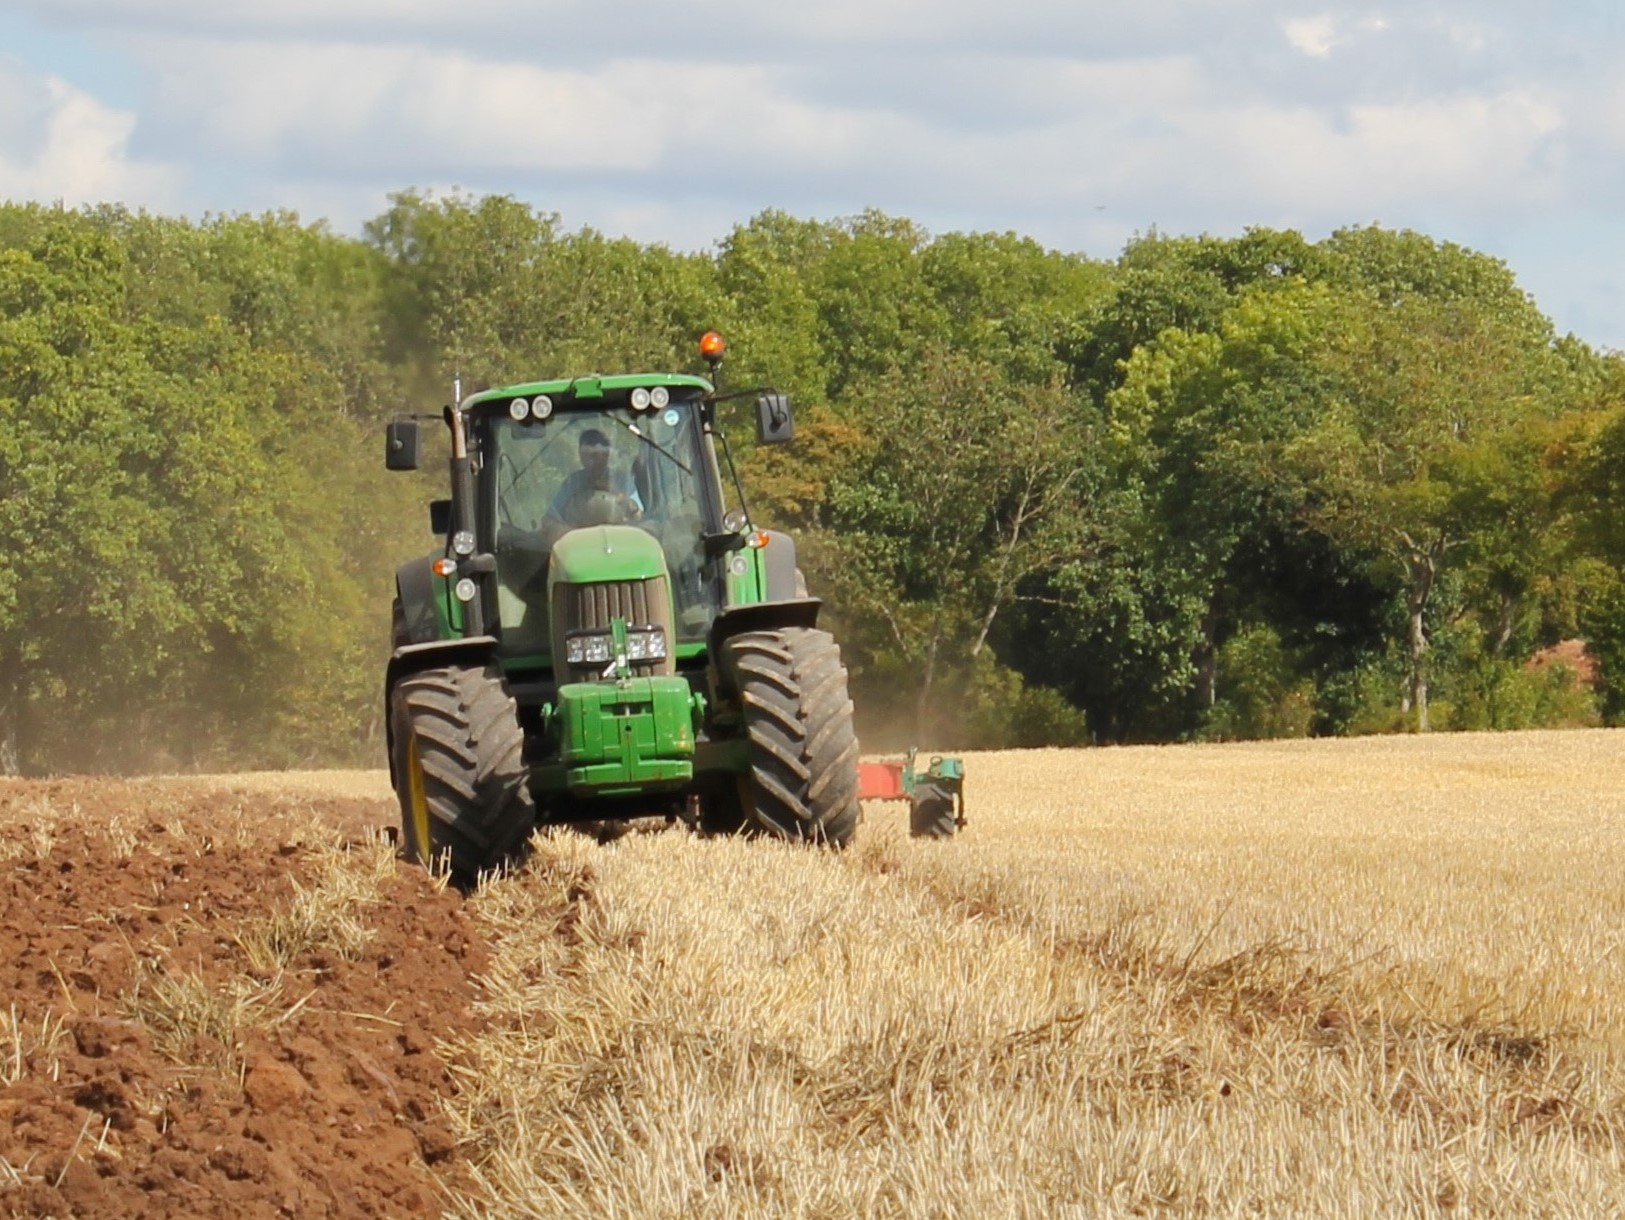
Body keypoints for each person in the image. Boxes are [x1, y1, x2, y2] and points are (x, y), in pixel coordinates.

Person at [541, 428, 644, 539]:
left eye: (599, 454)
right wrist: (571, 534)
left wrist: (615, 491)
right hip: (580, 541)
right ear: (581, 456)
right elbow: (551, 517)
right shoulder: (572, 482)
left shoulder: (623, 480)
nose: (594, 461)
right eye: (588, 455)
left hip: (619, 538)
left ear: (607, 455)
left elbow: (640, 516)